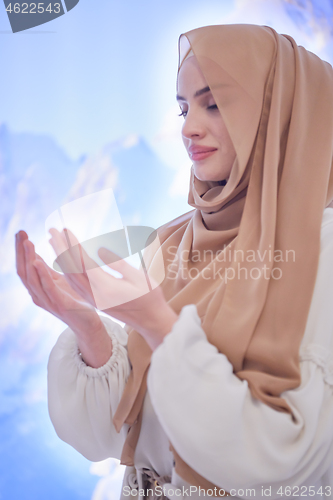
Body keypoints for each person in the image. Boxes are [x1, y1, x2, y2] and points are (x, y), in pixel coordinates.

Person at [15, 24, 333, 499]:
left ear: (277, 115)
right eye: (183, 107)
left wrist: (161, 327)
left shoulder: (320, 247)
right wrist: (90, 329)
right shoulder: (173, 240)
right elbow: (119, 434)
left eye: (215, 103)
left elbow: (286, 463)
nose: (187, 127)